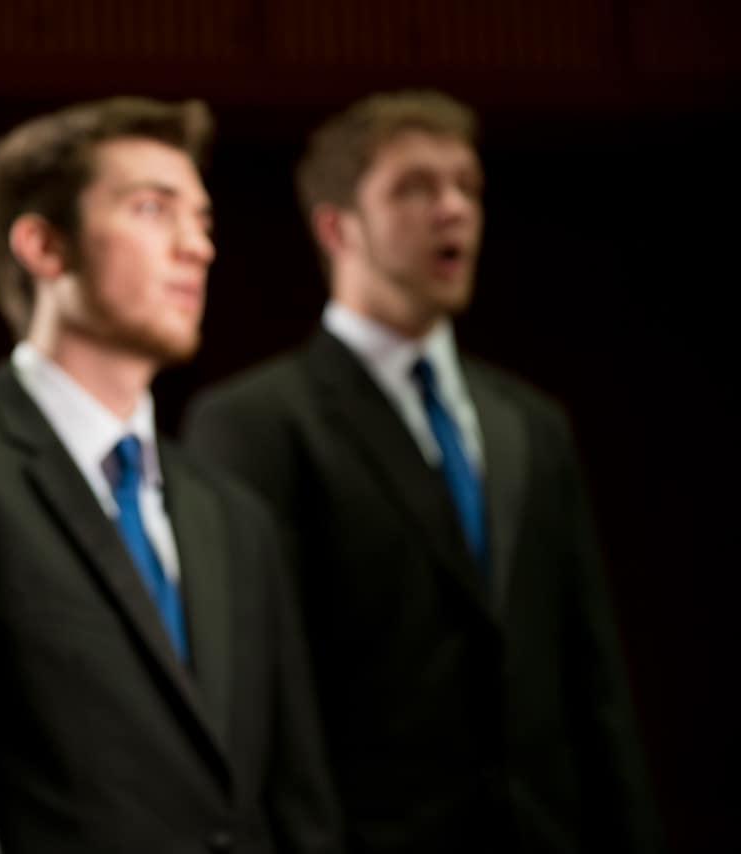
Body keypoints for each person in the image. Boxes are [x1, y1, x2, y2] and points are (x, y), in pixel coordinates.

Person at [0, 96, 343, 853]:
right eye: (154, 209)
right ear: (45, 246)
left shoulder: (234, 514)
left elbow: (298, 805)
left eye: (204, 221)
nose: (197, 247)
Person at [184, 90, 663, 854]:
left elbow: (592, 671)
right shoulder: (254, 422)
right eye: (416, 187)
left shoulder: (530, 421)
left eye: (468, 186)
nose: (455, 210)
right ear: (337, 226)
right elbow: (259, 694)